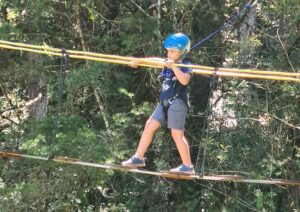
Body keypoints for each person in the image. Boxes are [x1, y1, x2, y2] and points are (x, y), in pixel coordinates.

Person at [122, 33, 194, 174]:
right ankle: (138, 157)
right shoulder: (168, 61)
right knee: (149, 125)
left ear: (182, 52)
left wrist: (174, 67)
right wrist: (139, 61)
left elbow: (185, 80)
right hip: (164, 103)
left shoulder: (185, 64)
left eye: (172, 51)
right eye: (168, 51)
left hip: (178, 102)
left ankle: (188, 166)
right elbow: (155, 60)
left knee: (176, 134)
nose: (169, 54)